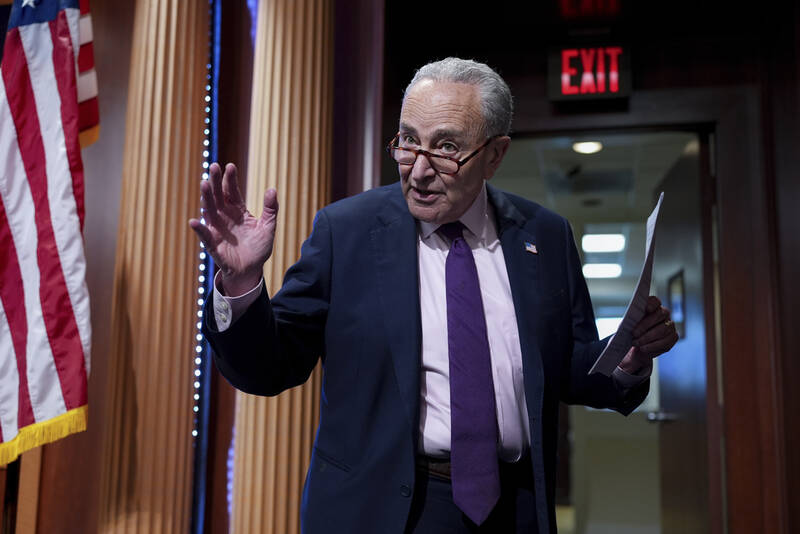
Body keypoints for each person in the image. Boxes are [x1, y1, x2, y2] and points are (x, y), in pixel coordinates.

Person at [189, 57, 678, 534]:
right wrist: (241, 283)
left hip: (516, 508)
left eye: (445, 148)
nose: (418, 170)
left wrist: (627, 360)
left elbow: (568, 369)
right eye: (408, 142)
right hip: (383, 510)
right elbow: (271, 367)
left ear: (495, 154)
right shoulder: (347, 231)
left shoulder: (544, 237)